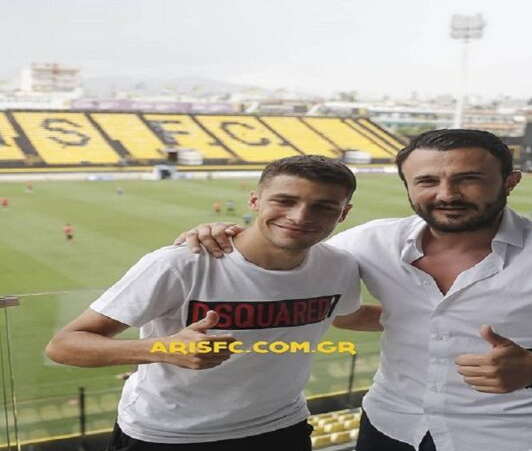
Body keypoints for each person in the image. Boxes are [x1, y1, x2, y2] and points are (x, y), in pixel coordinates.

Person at [177, 129, 532, 451]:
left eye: (469, 179)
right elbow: (291, 262)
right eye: (426, 181)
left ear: (510, 182)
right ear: (406, 185)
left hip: (514, 439)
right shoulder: (370, 241)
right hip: (389, 430)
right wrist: (224, 234)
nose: (446, 194)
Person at [46, 155, 381, 451]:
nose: (300, 216)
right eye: (285, 200)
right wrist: (162, 349)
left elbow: (344, 315)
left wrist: (416, 313)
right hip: (170, 435)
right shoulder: (180, 264)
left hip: (282, 427)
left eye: (324, 207)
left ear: (343, 214)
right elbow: (63, 346)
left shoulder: (338, 266)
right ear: (254, 200)